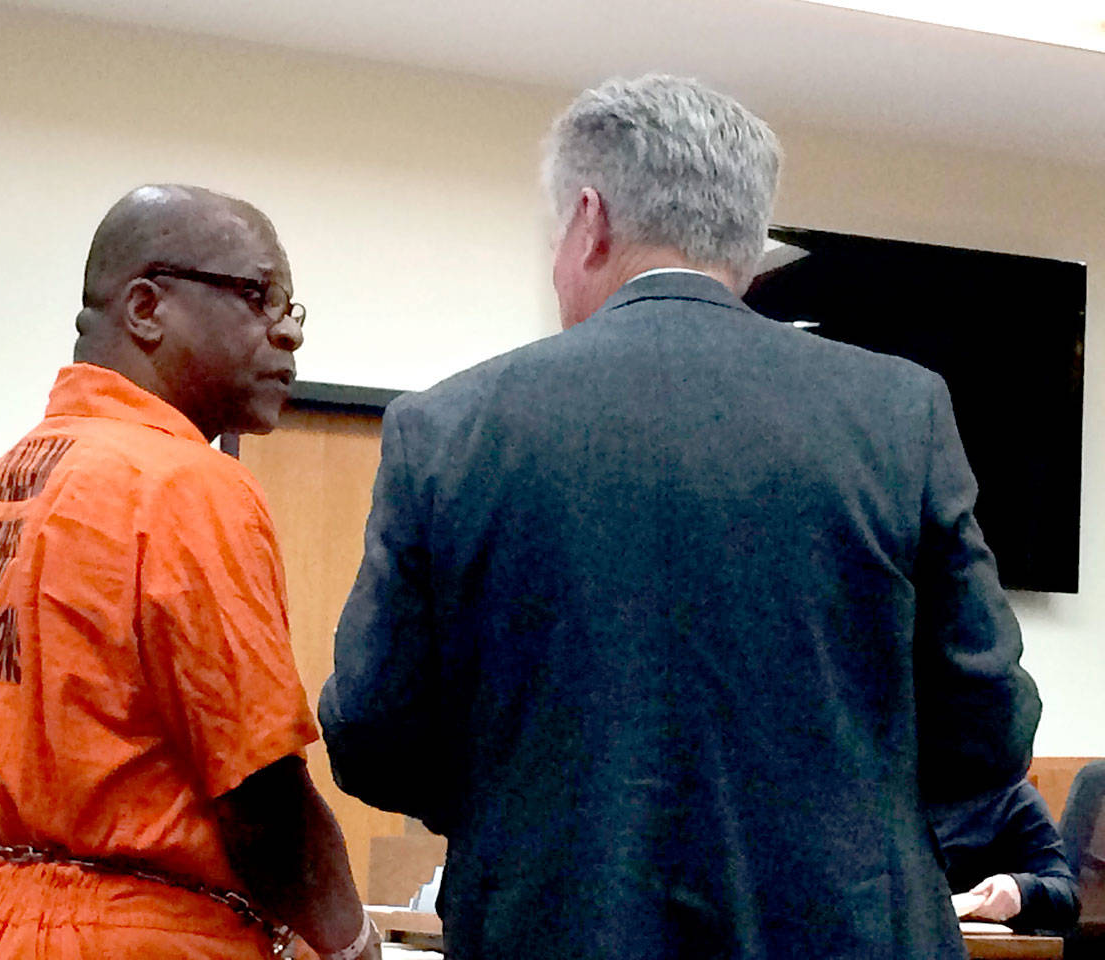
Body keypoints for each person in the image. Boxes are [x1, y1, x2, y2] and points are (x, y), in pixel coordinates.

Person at [319, 75, 1041, 959]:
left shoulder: (449, 428)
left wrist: (523, 800)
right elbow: (989, 724)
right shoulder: (899, 412)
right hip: (848, 932)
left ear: (589, 220)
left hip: (553, 927)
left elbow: (372, 733)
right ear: (748, 241)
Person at [0, 185, 379, 960]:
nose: (289, 332)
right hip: (144, 933)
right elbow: (258, 795)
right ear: (145, 308)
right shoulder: (185, 485)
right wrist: (350, 940)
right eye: (261, 296)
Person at [930, 775, 1079, 934]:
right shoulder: (910, 796)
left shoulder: (1012, 794)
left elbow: (1065, 895)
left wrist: (1020, 890)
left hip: (973, 942)